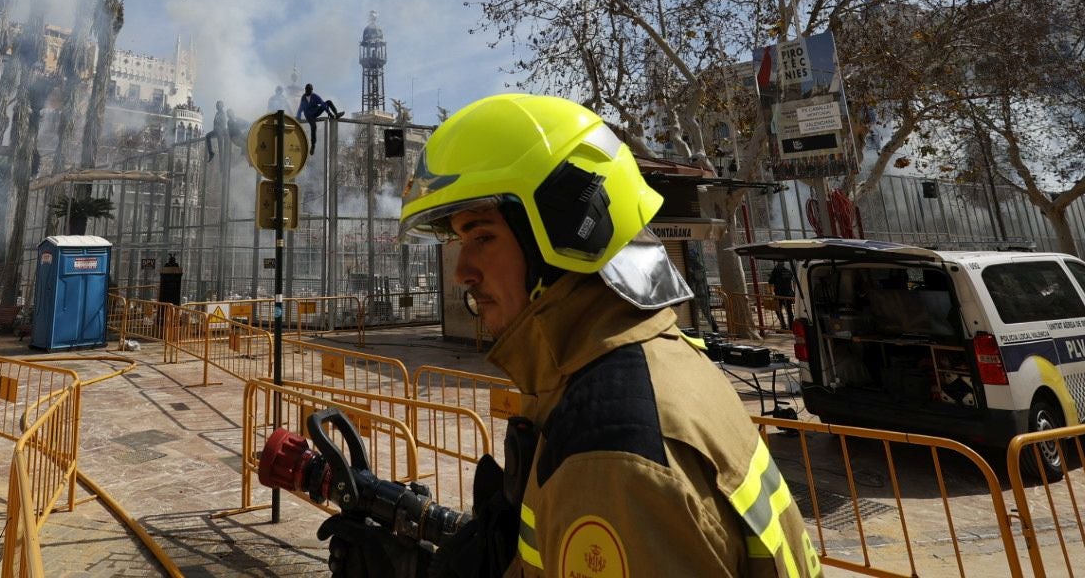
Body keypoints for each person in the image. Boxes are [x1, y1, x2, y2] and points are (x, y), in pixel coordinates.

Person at [322, 94, 819, 577]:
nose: (462, 271)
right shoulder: (651, 360)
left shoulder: (611, 456)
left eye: (482, 236)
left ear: (567, 231)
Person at [768, 261, 797, 331]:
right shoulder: (788, 271)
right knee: (789, 311)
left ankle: (784, 326)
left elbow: (770, 282)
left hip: (779, 294)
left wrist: (771, 294)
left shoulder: (775, 272)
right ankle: (790, 326)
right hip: (788, 294)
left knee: (778, 310)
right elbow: (793, 281)